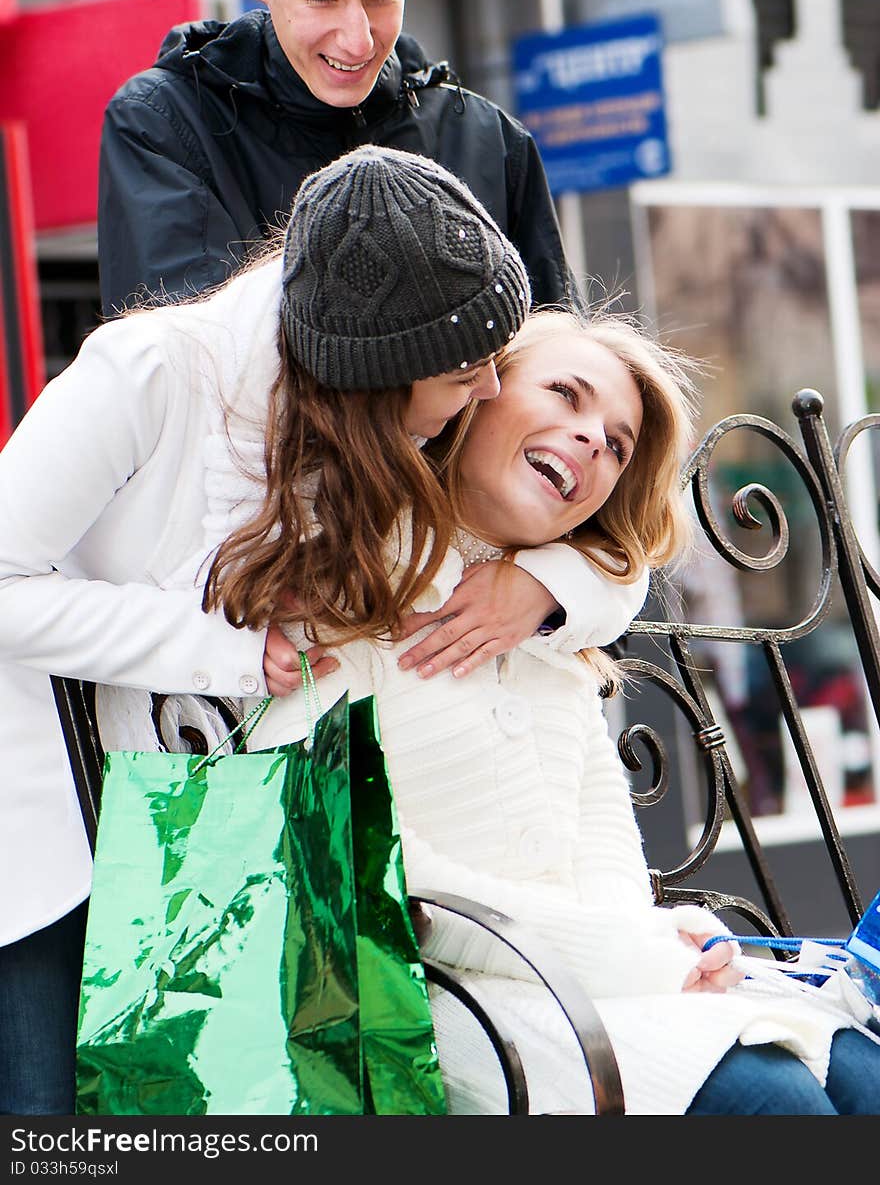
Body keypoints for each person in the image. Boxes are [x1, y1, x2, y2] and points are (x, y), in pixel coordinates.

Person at [0, 147, 644, 1116]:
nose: (484, 393)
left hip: (236, 839)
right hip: (51, 823)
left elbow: (601, 522)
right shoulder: (153, 371)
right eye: (471, 371)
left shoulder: (374, 418)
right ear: (384, 368)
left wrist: (550, 581)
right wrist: (222, 647)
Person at [229, 307, 880, 1115]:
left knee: (857, 1066)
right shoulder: (342, 593)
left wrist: (654, 941)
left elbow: (602, 835)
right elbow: (372, 873)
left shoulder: (557, 634)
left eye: (616, 444)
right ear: (473, 394)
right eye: (564, 395)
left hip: (583, 989)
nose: (590, 442)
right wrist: (625, 954)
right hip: (441, 1004)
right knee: (769, 1098)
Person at [97, 0, 574, 318]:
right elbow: (189, 367)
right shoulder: (162, 126)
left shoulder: (490, 143)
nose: (358, 38)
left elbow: (551, 363)